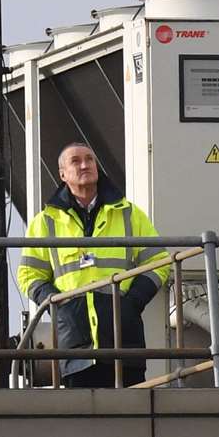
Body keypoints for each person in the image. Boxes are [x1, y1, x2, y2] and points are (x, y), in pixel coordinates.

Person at [15, 142, 169, 388]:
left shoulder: (129, 213)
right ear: (62, 174)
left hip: (123, 336)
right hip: (74, 340)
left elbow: (159, 261)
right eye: (76, 161)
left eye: (90, 159)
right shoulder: (45, 222)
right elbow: (28, 274)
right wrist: (58, 304)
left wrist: (133, 301)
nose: (85, 164)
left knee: (131, 418)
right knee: (86, 420)